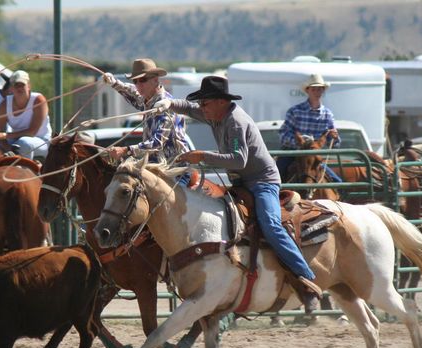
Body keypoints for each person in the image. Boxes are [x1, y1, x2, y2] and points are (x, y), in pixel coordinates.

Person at [154, 75, 322, 313]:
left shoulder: (235, 122)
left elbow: (238, 159)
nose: (201, 107)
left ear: (220, 101)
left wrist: (202, 156)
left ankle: (307, 281)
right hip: (242, 181)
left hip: (262, 181)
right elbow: (189, 108)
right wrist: (169, 104)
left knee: (271, 225)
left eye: (205, 103)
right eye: (202, 103)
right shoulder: (214, 113)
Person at [101, 58, 192, 169]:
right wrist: (114, 83)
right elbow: (133, 93)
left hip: (176, 168)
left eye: (143, 80)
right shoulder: (147, 100)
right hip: (154, 167)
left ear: (155, 80)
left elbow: (157, 143)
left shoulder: (166, 106)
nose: (139, 85)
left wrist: (125, 150)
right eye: (135, 81)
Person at [277, 73, 343, 183]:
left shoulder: (327, 114)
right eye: (314, 89)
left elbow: (335, 142)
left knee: (337, 182)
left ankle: (340, 195)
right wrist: (301, 144)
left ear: (323, 91)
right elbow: (283, 134)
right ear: (307, 91)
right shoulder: (295, 111)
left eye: (320, 89)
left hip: (314, 157)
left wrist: (334, 137)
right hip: (293, 154)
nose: (317, 92)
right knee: (276, 178)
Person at [0, 70, 52, 160]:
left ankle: (26, 172)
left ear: (29, 86)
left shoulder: (38, 100)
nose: (19, 88)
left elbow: (32, 132)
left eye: (22, 84)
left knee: (24, 143)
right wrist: (9, 149)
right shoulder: (4, 104)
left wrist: (6, 136)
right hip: (16, 140)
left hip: (41, 141)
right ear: (11, 88)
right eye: (16, 85)